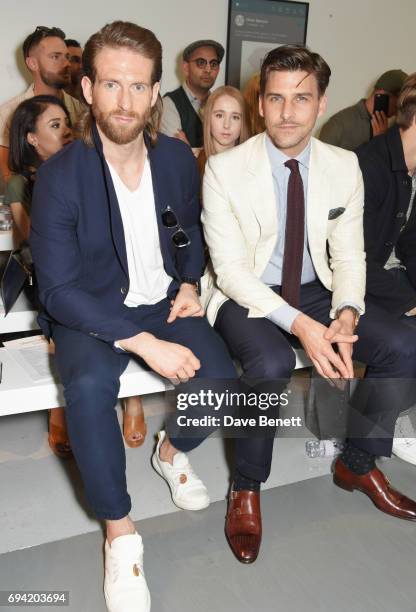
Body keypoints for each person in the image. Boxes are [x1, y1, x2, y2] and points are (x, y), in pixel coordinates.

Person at [30, 21, 235, 612]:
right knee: (91, 387)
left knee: (224, 385)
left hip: (165, 300)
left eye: (140, 87)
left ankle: (170, 451)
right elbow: (60, 292)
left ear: (154, 92)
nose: (126, 102)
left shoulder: (174, 158)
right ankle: (120, 533)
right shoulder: (60, 176)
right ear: (88, 89)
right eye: (113, 85)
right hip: (91, 312)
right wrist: (145, 343)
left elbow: (189, 233)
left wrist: (192, 280)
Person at [202, 44, 416, 565]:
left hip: (317, 288)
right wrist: (302, 327)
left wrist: (347, 311)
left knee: (405, 346)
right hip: (246, 292)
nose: (287, 112)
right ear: (261, 104)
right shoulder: (225, 169)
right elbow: (229, 271)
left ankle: (357, 463)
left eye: (301, 99)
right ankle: (247, 486)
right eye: (275, 99)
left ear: (321, 104)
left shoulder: (344, 165)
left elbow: (348, 254)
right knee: (271, 362)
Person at [5, 95, 73, 457]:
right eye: (55, 125)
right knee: (62, 312)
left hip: (83, 268)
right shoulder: (20, 182)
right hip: (45, 271)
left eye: (67, 123)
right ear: (31, 137)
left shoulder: (80, 167)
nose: (66, 131)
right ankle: (58, 410)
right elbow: (33, 237)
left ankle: (133, 402)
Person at [356, 72, 416, 465]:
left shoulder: (412, 171)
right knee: (405, 344)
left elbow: (411, 245)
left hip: (387, 279)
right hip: (347, 285)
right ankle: (361, 447)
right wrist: (411, 301)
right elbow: (349, 259)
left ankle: (386, 419)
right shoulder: (369, 163)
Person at [0, 26, 83, 182]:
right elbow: (7, 176)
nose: (66, 64)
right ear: (33, 63)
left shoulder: (83, 111)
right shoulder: (8, 113)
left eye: (66, 57)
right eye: (55, 56)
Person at [319, 69, 408, 150]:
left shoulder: (394, 128)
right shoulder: (338, 124)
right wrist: (379, 142)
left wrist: (382, 140)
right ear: (382, 94)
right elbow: (320, 164)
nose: (400, 109)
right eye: (400, 102)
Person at [160, 39, 224, 151]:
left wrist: (190, 150)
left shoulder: (221, 104)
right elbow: (177, 154)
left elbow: (230, 154)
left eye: (213, 64)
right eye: (201, 63)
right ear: (186, 68)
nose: (208, 70)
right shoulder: (169, 103)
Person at [197, 85, 250, 178]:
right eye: (219, 115)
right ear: (208, 118)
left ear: (243, 123)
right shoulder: (194, 165)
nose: (227, 125)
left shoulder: (254, 165)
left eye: (235, 117)